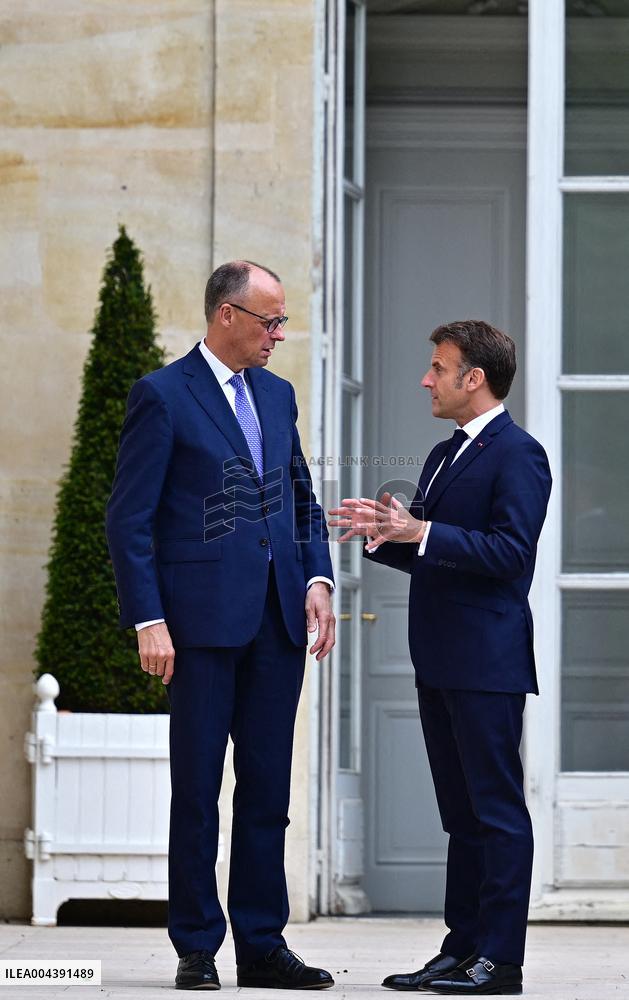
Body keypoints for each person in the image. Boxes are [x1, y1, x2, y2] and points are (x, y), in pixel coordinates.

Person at [107, 261, 336, 991]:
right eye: (269, 320)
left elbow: (299, 495)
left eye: (281, 321)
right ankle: (197, 945)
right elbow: (129, 519)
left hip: (276, 623)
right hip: (199, 628)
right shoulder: (163, 396)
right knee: (197, 790)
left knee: (267, 792)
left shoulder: (278, 394)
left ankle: (262, 947)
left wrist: (318, 578)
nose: (278, 333)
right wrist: (149, 618)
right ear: (226, 316)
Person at [329, 321, 551, 996]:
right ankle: (461, 949)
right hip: (440, 658)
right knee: (460, 815)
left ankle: (500, 961)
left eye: (437, 367)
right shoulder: (440, 455)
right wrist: (381, 536)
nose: (426, 379)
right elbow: (431, 547)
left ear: (472, 378)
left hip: (487, 660)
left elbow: (510, 557)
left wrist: (421, 530)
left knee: (496, 811)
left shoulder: (520, 455)